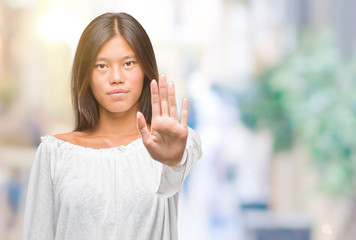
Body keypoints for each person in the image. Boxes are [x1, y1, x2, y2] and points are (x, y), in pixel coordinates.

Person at [22, 12, 202, 240]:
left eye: (128, 63)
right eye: (101, 66)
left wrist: (174, 161)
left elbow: (186, 153)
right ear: (85, 74)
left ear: (145, 68)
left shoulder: (167, 145)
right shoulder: (55, 154)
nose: (116, 77)